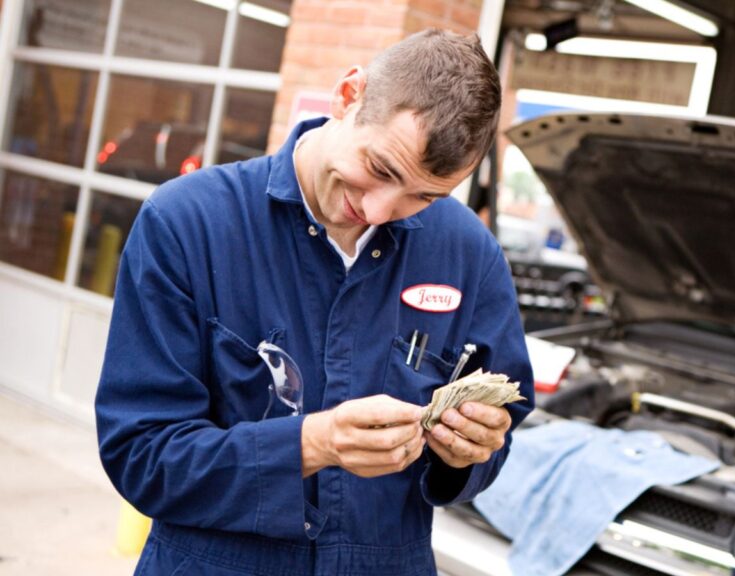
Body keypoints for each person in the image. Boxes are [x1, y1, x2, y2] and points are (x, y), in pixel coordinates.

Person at [95, 29, 535, 576]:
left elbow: (499, 433)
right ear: (348, 96)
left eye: (424, 196)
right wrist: (309, 445)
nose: (380, 210)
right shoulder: (187, 223)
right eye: (380, 169)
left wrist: (469, 452)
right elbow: (142, 455)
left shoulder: (469, 252)